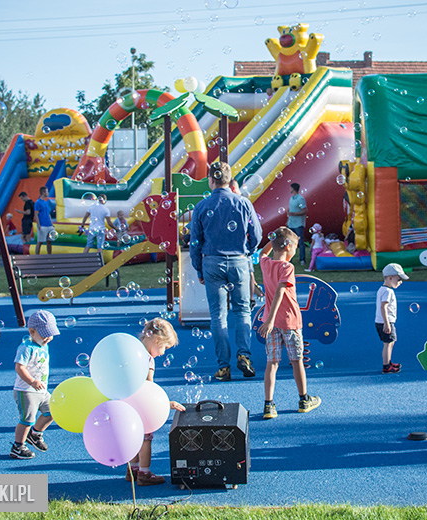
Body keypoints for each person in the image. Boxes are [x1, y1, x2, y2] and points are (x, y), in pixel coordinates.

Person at [190, 162, 263, 382]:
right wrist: (247, 253)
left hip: (212, 262)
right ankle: (245, 356)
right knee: (242, 311)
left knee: (218, 316)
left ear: (210, 180)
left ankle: (224, 367)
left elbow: (195, 241)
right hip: (239, 261)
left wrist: (198, 268)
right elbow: (257, 235)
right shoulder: (243, 203)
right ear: (230, 180)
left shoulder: (201, 207)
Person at [257, 226, 321, 419]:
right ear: (287, 246)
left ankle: (269, 405)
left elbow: (263, 251)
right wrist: (269, 320)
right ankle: (304, 399)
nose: (295, 252)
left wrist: (274, 237)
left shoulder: (266, 263)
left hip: (272, 322)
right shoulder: (287, 267)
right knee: (297, 361)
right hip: (289, 322)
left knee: (272, 363)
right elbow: (280, 292)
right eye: (294, 248)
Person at [125, 318, 186, 485]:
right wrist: (165, 403)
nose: (163, 353)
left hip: (126, 401)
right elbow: (148, 386)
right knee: (145, 438)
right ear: (157, 340)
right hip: (141, 404)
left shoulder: (131, 349)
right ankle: (144, 474)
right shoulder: (148, 359)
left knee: (132, 436)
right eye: (165, 347)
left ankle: (133, 470)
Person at [11, 310, 59, 460]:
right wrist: (32, 381)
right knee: (27, 419)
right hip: (26, 390)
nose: (49, 338)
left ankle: (35, 434)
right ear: (32, 332)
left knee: (53, 412)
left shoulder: (44, 345)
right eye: (45, 334)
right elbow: (19, 367)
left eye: (50, 334)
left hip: (41, 390)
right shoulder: (26, 348)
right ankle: (18, 446)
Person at [376, 263, 409, 374]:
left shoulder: (383, 289)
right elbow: (383, 307)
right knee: (388, 343)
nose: (400, 282)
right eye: (398, 279)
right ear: (390, 278)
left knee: (390, 342)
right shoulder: (387, 291)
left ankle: (388, 362)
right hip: (386, 321)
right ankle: (386, 366)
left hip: (382, 321)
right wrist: (387, 323)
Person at [287, 183, 307, 266]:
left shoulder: (300, 199)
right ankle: (289, 259)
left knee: (300, 242)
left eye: (290, 188)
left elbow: (304, 210)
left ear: (293, 189)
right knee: (289, 242)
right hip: (291, 223)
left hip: (298, 224)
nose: (289, 189)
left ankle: (302, 259)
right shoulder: (291, 198)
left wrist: (294, 214)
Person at [34, 187, 55, 255]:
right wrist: (39, 225)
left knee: (49, 241)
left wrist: (52, 223)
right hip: (42, 225)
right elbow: (36, 214)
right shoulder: (38, 202)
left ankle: (49, 255)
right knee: (40, 242)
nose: (48, 193)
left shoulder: (46, 202)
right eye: (47, 192)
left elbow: (48, 214)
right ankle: (37, 256)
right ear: (43, 193)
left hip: (49, 225)